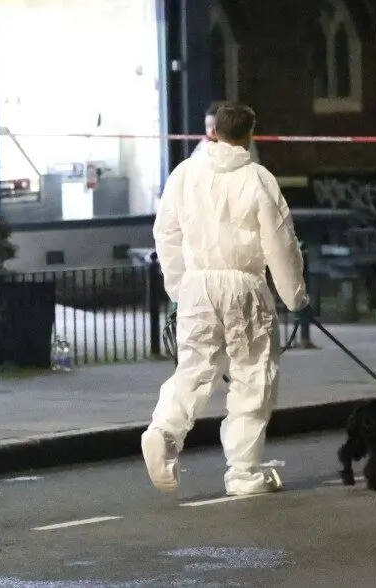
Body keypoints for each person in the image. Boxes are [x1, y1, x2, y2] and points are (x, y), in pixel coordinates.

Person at [142, 102, 312, 497]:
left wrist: (178, 288)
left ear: (213, 132)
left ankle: (164, 431)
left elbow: (166, 234)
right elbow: (281, 243)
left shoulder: (184, 174)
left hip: (197, 285)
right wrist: (295, 297)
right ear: (250, 135)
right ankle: (243, 472)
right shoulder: (259, 179)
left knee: (193, 368)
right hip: (244, 285)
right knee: (253, 376)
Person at [193, 101, 260, 164]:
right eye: (208, 126)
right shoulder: (204, 145)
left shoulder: (243, 140)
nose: (211, 131)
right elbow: (192, 165)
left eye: (216, 127)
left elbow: (253, 163)